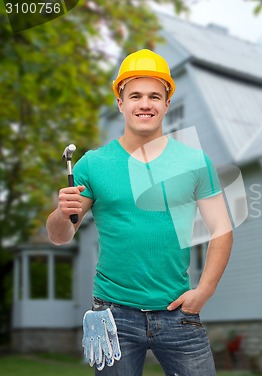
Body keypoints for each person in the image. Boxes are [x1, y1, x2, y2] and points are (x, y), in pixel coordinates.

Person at [46, 49, 233, 375]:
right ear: (121, 102)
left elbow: (222, 229)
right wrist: (62, 213)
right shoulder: (93, 163)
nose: (144, 104)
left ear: (166, 104)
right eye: (135, 96)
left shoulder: (194, 161)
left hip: (179, 313)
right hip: (114, 314)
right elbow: (61, 236)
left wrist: (204, 291)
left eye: (154, 96)